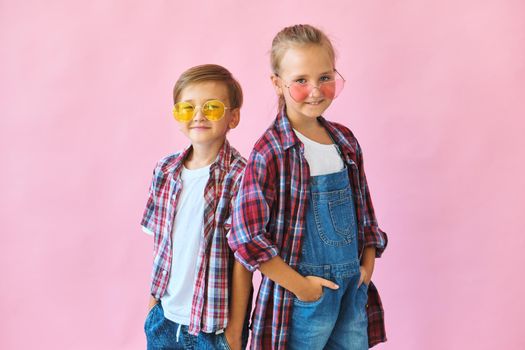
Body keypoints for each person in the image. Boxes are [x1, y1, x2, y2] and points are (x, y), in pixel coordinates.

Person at [229, 24, 388, 349]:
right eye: (301, 80)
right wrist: (301, 287)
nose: (315, 91)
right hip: (301, 301)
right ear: (277, 83)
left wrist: (365, 269)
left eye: (325, 78)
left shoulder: (345, 141)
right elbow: (246, 236)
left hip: (350, 293)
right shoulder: (271, 151)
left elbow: (365, 214)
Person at [141, 64, 251, 349]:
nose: (199, 116)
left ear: (233, 117)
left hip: (213, 329)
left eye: (212, 107)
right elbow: (161, 246)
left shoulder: (241, 177)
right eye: (187, 108)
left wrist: (234, 333)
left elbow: (244, 261)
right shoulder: (165, 170)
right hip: (163, 320)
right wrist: (153, 307)